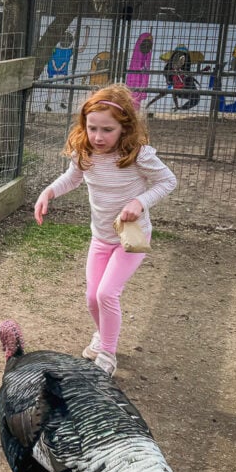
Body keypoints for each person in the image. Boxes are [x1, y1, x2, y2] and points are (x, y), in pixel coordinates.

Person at [33, 83, 177, 377]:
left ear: (124, 128)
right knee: (92, 297)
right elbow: (72, 179)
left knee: (107, 294)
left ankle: (108, 354)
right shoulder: (84, 152)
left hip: (130, 238)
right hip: (101, 237)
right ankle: (102, 336)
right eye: (92, 128)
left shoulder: (137, 155)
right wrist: (48, 192)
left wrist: (140, 201)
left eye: (107, 130)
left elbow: (167, 181)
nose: (98, 137)